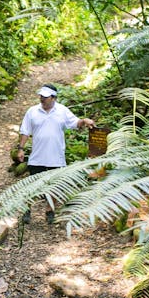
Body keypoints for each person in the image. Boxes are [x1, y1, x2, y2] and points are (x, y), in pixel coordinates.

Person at [16, 83, 95, 223]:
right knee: (32, 186)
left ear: (53, 98)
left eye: (45, 97)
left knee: (54, 186)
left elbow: (75, 123)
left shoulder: (62, 111)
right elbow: (25, 131)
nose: (42, 99)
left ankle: (50, 211)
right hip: (37, 156)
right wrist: (21, 148)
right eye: (41, 96)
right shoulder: (32, 111)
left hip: (56, 156)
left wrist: (84, 121)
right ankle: (27, 211)